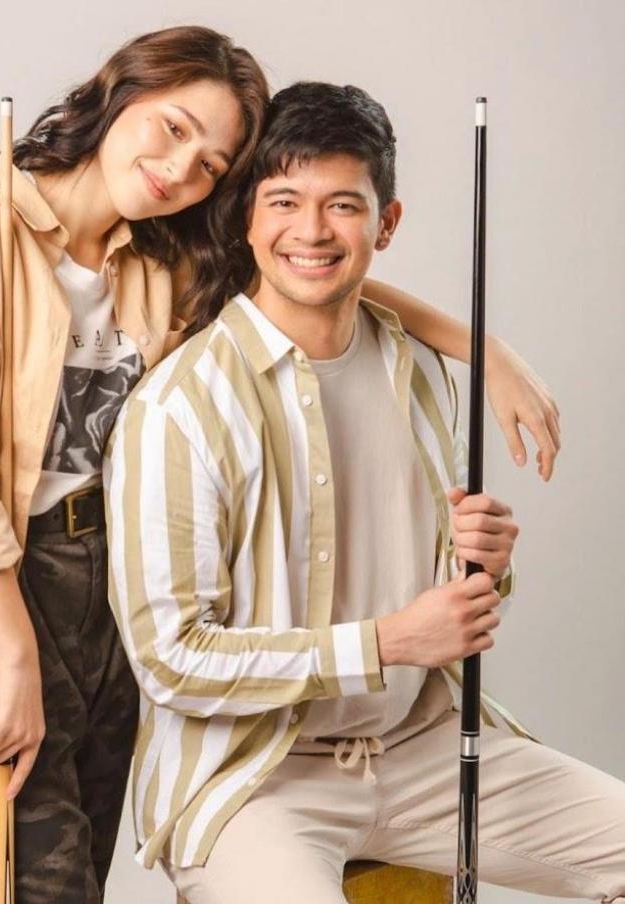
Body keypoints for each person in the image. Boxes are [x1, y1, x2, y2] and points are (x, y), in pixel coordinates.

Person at [0, 24, 559, 904]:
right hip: (1, 584)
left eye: (211, 163)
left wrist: (485, 351)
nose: (179, 169)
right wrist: (13, 653)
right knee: (34, 870)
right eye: (173, 127)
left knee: (86, 854)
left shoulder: (158, 255)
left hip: (110, 573)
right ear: (119, 91)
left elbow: (314, 271)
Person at [104, 81, 624, 903]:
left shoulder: (417, 370)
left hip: (419, 750)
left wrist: (482, 568)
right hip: (257, 781)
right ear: (247, 218)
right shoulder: (181, 406)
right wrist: (385, 642)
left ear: (386, 223)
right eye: (284, 202)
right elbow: (171, 658)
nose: (311, 231)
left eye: (342, 205)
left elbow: (425, 592)